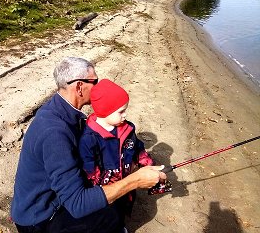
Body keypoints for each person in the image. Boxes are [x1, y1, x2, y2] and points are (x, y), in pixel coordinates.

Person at [11, 57, 166, 233]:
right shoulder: (55, 133)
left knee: (111, 192)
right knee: (110, 212)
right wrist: (136, 180)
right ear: (79, 87)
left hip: (50, 199)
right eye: (95, 81)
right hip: (39, 218)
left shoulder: (60, 109)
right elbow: (77, 204)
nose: (98, 87)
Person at [79, 79, 171, 229]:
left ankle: (121, 223)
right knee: (109, 212)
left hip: (126, 180)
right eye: (121, 111)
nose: (125, 115)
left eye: (125, 110)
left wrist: (149, 165)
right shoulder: (89, 139)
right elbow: (89, 169)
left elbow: (138, 149)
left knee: (124, 206)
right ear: (104, 111)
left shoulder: (127, 129)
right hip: (106, 191)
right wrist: (103, 187)